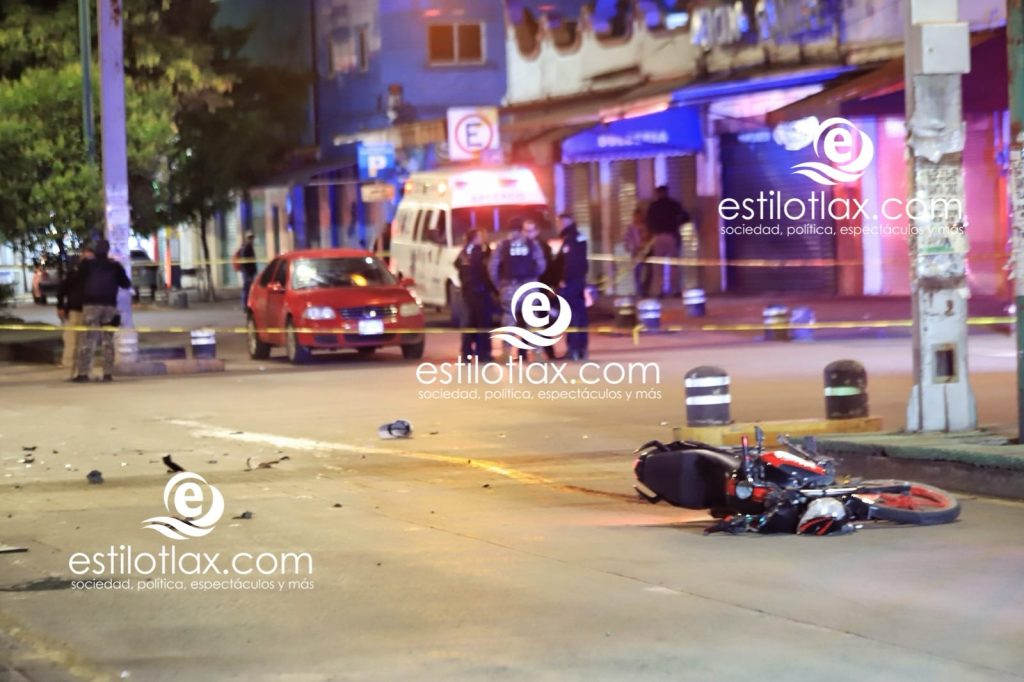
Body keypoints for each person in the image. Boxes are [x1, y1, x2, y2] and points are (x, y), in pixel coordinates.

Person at [73, 239, 131, 383]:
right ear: (108, 251)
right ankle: (107, 373)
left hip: (91, 305)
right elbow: (126, 284)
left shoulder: (87, 264)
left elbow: (77, 280)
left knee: (87, 339)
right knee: (108, 341)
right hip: (109, 306)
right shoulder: (115, 266)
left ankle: (83, 373)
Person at [488, 218, 546, 359]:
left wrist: (499, 285)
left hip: (509, 287)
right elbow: (541, 265)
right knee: (532, 319)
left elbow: (492, 267)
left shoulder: (502, 244)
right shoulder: (532, 243)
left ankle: (506, 353)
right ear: (522, 228)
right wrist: (533, 278)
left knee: (509, 319)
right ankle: (537, 353)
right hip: (529, 286)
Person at [454, 229, 494, 362]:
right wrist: (493, 289)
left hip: (468, 292)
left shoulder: (465, 251)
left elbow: (457, 264)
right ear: (475, 238)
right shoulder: (478, 251)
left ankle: (466, 353)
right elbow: (483, 271)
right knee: (483, 323)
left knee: (469, 322)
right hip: (480, 291)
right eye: (481, 236)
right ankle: (483, 353)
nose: (483, 238)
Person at [554, 214, 589, 361]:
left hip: (571, 283)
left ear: (564, 222)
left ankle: (573, 349)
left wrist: (563, 279)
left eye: (559, 223)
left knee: (571, 315)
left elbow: (571, 263)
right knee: (580, 315)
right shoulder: (579, 237)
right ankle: (581, 348)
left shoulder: (570, 239)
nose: (558, 226)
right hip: (579, 281)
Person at [645, 185, 690, 298]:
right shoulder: (673, 205)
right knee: (674, 265)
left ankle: (659, 291)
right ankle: (675, 290)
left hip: (659, 236)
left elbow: (648, 221)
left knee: (658, 266)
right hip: (671, 236)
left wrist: (654, 230)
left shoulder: (654, 207)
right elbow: (686, 217)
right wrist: (676, 225)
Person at [56, 245, 95, 372]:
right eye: (85, 259)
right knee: (71, 342)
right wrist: (60, 306)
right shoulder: (73, 273)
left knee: (87, 343)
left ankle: (85, 370)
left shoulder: (94, 275)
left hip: (89, 311)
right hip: (74, 311)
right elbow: (62, 290)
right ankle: (69, 369)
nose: (87, 262)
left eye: (89, 259)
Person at [526, 219, 559, 361]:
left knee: (542, 320)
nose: (528, 233)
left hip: (541, 288)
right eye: (526, 230)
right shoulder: (522, 246)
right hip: (526, 289)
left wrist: (551, 286)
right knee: (526, 320)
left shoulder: (543, 246)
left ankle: (549, 352)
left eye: (531, 230)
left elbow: (550, 268)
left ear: (537, 231)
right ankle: (523, 353)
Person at [623, 206, 652, 297]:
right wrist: (629, 247)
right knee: (637, 273)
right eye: (636, 216)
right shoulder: (630, 228)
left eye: (639, 216)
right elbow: (626, 239)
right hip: (635, 252)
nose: (638, 218)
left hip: (645, 252)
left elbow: (649, 238)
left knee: (648, 272)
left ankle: (645, 289)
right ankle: (639, 291)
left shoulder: (645, 227)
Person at [234, 232, 258, 310]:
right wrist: (248, 273)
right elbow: (245, 262)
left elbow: (252, 261)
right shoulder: (246, 247)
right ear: (247, 238)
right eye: (250, 238)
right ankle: (244, 305)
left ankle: (247, 304)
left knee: (248, 288)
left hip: (249, 272)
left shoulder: (249, 247)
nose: (251, 240)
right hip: (247, 272)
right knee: (246, 288)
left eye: (252, 238)